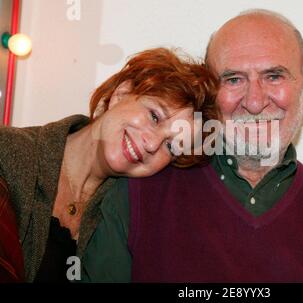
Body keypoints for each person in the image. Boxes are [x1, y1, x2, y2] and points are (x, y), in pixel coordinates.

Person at [84, 9, 303, 282]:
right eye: (234, 79)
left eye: (274, 76)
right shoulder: (135, 195)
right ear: (210, 93)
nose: (254, 102)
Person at [0, 47, 218, 282]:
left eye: (171, 146)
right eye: (155, 116)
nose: (153, 143)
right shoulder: (9, 153)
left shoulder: (122, 215)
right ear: (121, 94)